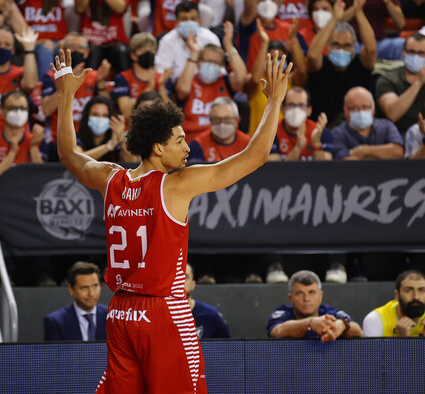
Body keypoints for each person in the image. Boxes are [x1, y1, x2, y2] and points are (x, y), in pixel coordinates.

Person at [53, 43, 291, 392]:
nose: (187, 147)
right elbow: (255, 156)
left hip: (119, 313)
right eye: (180, 140)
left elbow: (67, 154)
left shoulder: (110, 179)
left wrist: (65, 96)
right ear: (158, 148)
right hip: (164, 312)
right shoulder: (176, 185)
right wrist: (275, 101)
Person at [306, 0, 376, 127]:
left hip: (357, 127)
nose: (341, 49)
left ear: (354, 47)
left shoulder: (360, 63)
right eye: (336, 44)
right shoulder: (322, 64)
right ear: (328, 46)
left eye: (347, 45)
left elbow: (371, 50)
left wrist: (358, 11)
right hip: (324, 128)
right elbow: (311, 56)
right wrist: (334, 19)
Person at [175, 23, 247, 142]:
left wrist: (228, 46)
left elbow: (242, 78)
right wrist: (194, 52)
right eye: (208, 61)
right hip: (191, 142)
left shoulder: (225, 81)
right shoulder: (188, 80)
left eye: (216, 63)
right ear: (198, 62)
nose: (211, 66)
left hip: (221, 139)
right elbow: (181, 90)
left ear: (221, 66)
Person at [40, 32, 110, 143]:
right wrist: (65, 81)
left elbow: (108, 109)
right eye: (71, 47)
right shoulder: (52, 76)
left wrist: (101, 82)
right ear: (62, 50)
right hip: (59, 137)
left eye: (80, 47)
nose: (76, 51)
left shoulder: (94, 75)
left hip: (89, 135)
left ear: (86, 53)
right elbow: (46, 110)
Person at [375, 33, 425, 134]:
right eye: (411, 52)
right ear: (403, 52)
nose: (416, 56)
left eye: (421, 53)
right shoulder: (387, 79)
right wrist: (419, 82)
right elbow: (392, 114)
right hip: (397, 134)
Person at [267, 270, 363, 342]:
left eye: (311, 292)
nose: (306, 299)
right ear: (290, 297)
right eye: (300, 293)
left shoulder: (330, 313)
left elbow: (358, 330)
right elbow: (278, 331)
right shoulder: (282, 313)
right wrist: (310, 323)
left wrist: (342, 325)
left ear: (320, 296)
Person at [0, 90, 45, 187]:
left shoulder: (37, 139)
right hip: (3, 198)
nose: (18, 112)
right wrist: (12, 153)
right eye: (13, 108)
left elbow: (42, 180)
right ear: (2, 111)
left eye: (23, 108)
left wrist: (34, 147)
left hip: (30, 196)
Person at [362, 270, 425, 337]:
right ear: (397, 295)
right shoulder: (376, 320)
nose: (416, 297)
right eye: (408, 291)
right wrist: (404, 342)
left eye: (422, 290)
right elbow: (375, 363)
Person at [154, 1, 221, 83]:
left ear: (199, 21)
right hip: (177, 89)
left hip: (208, 87)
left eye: (193, 19)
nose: (189, 23)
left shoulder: (210, 38)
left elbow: (221, 70)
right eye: (184, 19)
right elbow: (161, 74)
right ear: (176, 23)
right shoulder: (166, 41)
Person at [331, 86, 404, 160]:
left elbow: (398, 152)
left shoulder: (386, 126)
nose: (360, 112)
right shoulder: (337, 133)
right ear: (345, 111)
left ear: (373, 109)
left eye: (365, 107)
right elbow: (344, 160)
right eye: (354, 108)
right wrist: (380, 154)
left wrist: (365, 150)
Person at [112, 33, 173, 119]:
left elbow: (171, 115)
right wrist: (149, 88)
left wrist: (161, 86)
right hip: (131, 128)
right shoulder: (123, 78)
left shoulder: (163, 79)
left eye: (152, 50)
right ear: (133, 55)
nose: (149, 53)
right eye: (143, 50)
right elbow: (126, 113)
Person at [43, 261, 108, 341]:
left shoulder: (113, 318)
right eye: (84, 288)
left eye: (95, 286)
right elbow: (55, 353)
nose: (91, 293)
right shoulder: (56, 322)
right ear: (71, 289)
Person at [269, 87, 334, 161]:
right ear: (282, 109)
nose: (296, 110)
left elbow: (327, 167)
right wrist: (298, 147)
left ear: (309, 110)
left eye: (301, 105)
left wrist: (316, 144)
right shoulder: (272, 132)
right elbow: (274, 169)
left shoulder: (320, 132)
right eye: (291, 105)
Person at [188, 97, 252, 162]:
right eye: (216, 119)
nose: (222, 124)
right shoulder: (198, 144)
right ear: (210, 120)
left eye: (227, 119)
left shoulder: (248, 144)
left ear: (237, 120)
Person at [185, 263, 231, 339]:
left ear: (193, 284)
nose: (179, 282)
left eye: (185, 277)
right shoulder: (160, 316)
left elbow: (228, 347)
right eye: (176, 277)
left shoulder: (211, 315)